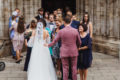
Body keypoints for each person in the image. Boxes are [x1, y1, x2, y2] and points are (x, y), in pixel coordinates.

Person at [46, 15, 81, 80]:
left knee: (65, 68)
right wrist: (77, 47)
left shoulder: (61, 31)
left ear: (64, 22)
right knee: (74, 67)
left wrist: (47, 45)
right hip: (73, 51)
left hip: (64, 52)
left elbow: (54, 41)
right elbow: (79, 42)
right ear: (71, 22)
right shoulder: (75, 31)